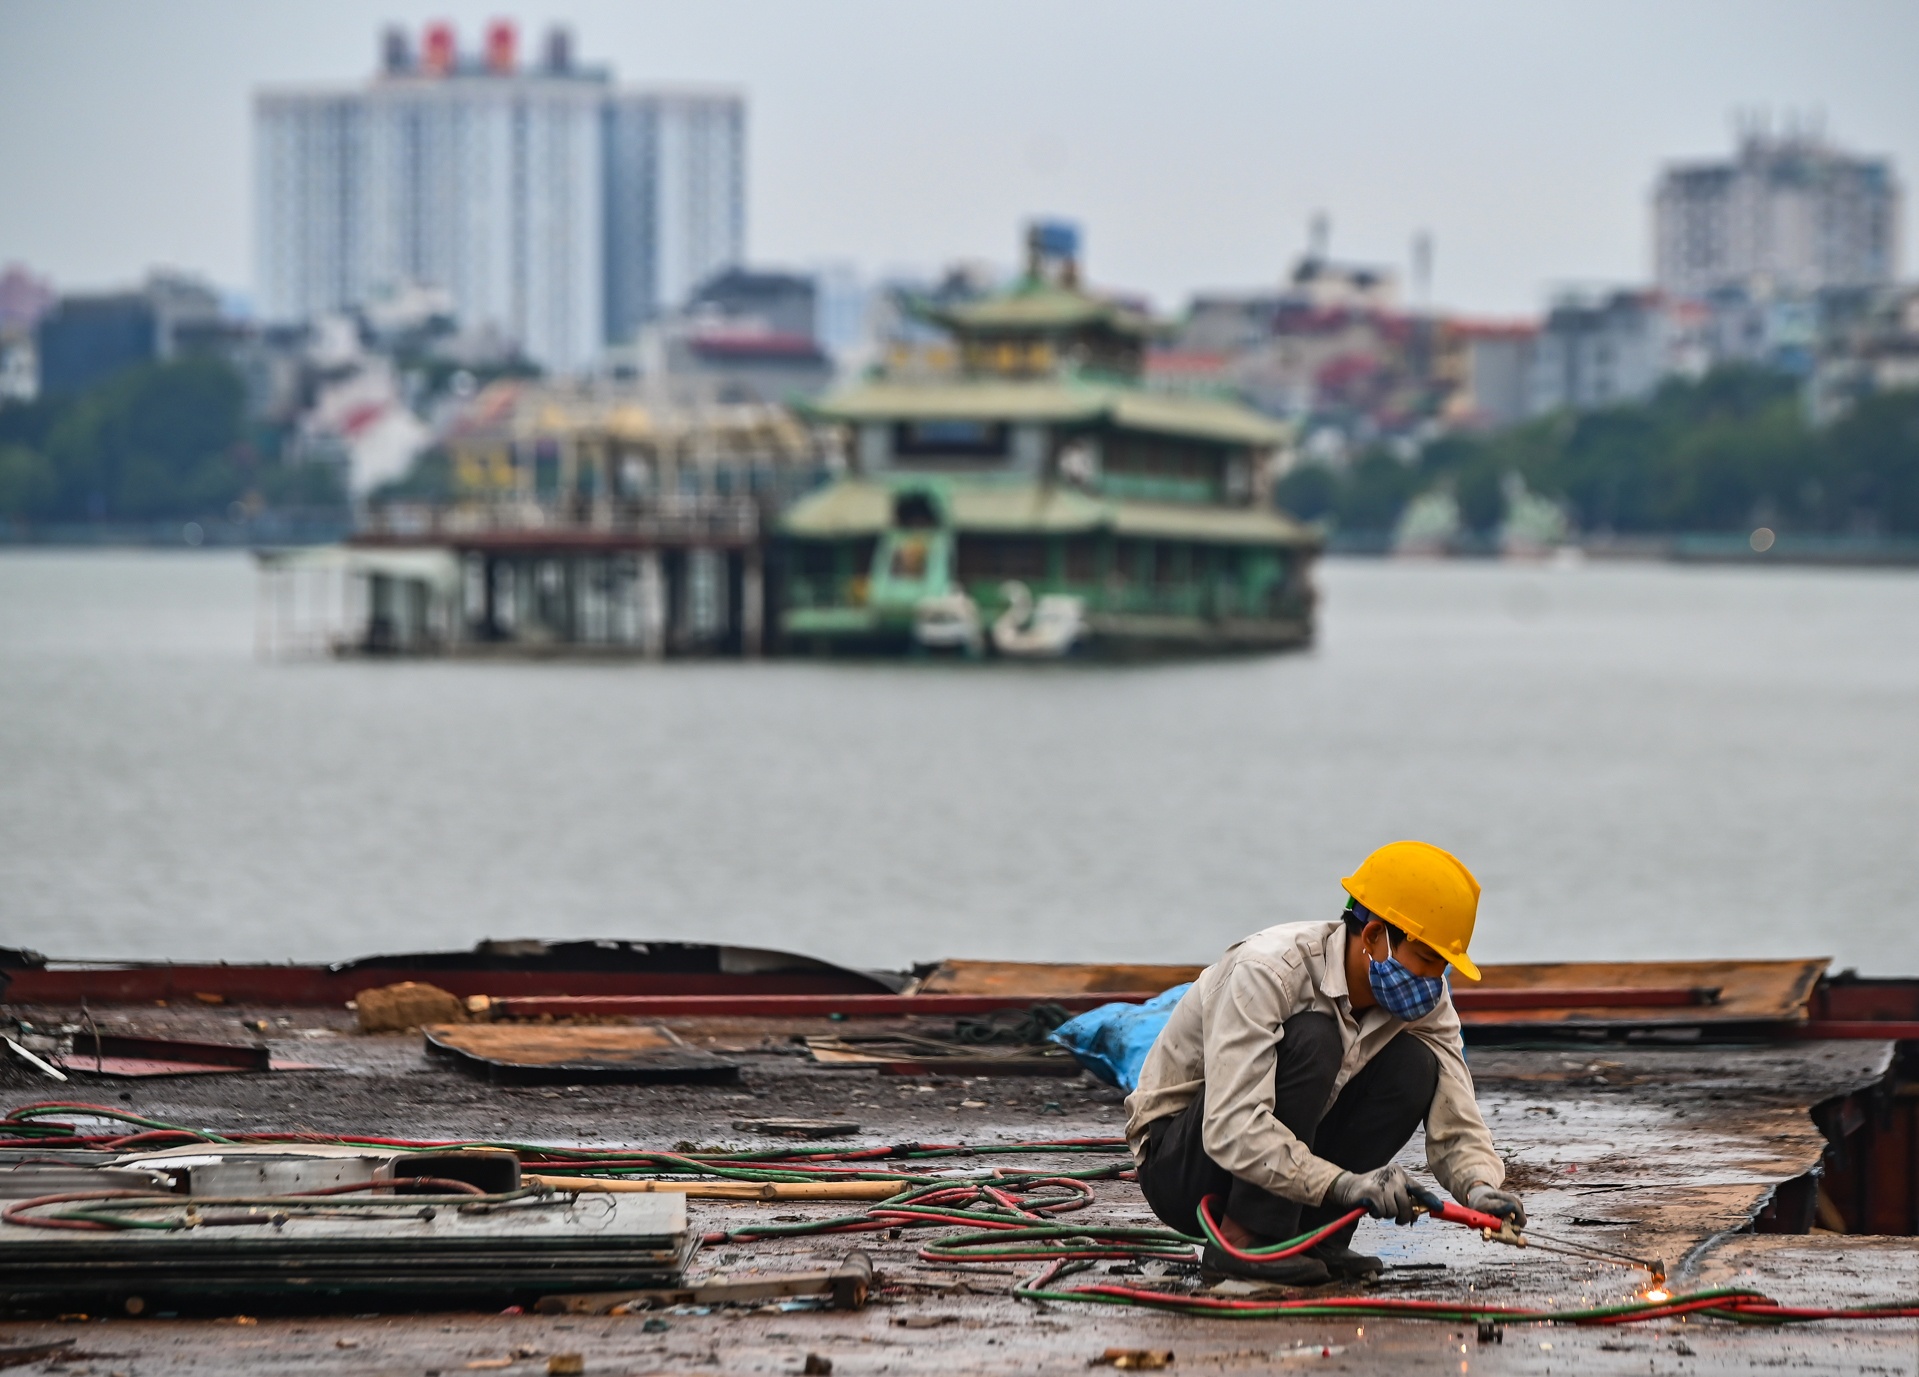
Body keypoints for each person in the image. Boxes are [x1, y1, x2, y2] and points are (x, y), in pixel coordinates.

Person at [1125, 840, 1526, 1284]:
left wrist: (1479, 1187)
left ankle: (1317, 1239)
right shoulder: (1269, 972)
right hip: (1183, 1164)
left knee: (1415, 1066)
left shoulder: (1425, 999)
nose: (1433, 981)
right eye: (1427, 959)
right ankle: (1246, 1241)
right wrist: (1346, 1184)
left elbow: (1457, 1113)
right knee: (1315, 1039)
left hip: (1264, 1157)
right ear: (1374, 936)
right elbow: (1231, 1125)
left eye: (1442, 967)